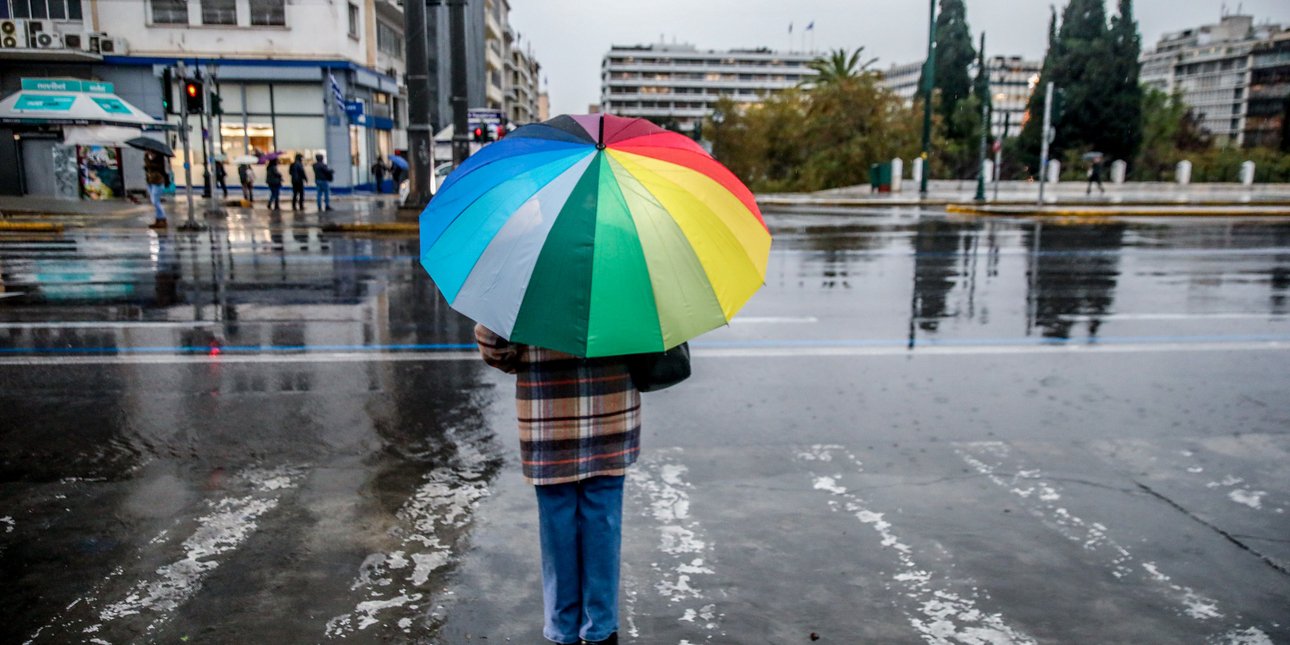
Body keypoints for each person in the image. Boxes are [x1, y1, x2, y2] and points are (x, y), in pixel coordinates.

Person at [475, 324, 635, 645]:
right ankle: (600, 627)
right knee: (603, 522)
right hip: (611, 408)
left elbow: (493, 345)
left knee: (557, 523)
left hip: (548, 413)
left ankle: (563, 629)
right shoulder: (624, 277)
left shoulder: (524, 277)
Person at [144, 150, 168, 229]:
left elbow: (153, 166)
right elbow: (148, 167)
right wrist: (146, 157)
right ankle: (158, 219)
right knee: (154, 201)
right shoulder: (148, 158)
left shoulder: (159, 160)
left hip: (158, 182)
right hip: (150, 182)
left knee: (155, 201)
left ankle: (163, 219)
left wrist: (148, 161)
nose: (150, 153)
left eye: (151, 152)